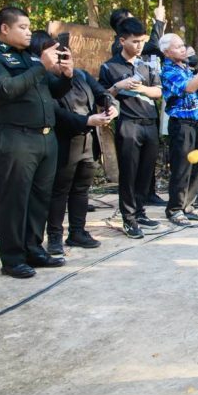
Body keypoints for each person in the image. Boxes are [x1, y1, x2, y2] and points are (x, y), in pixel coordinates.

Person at [0, 6, 74, 278]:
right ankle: (12, 257)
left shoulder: (30, 57)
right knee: (15, 200)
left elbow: (54, 91)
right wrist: (41, 66)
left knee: (40, 198)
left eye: (30, 27)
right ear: (4, 28)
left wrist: (67, 74)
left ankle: (33, 248)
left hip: (46, 137)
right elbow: (6, 89)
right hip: (17, 138)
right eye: (23, 27)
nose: (29, 32)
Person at [46, 53, 118, 254]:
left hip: (88, 140)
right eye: (58, 58)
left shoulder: (81, 75)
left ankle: (77, 232)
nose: (63, 62)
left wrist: (111, 106)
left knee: (81, 189)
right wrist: (87, 121)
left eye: (66, 57)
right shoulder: (46, 80)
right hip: (64, 141)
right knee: (60, 191)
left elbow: (102, 93)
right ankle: (54, 236)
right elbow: (56, 113)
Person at [99, 18, 163, 239]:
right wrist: (118, 86)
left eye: (142, 41)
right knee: (129, 173)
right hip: (128, 123)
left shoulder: (147, 64)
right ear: (122, 40)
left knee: (146, 172)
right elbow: (102, 96)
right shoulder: (109, 66)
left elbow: (158, 92)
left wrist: (142, 88)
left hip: (149, 122)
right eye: (135, 41)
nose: (139, 46)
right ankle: (129, 218)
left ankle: (140, 211)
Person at [159, 32, 198, 227]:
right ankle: (175, 208)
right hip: (181, 124)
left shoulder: (184, 67)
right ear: (166, 52)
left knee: (197, 166)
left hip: (196, 122)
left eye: (182, 45)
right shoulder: (168, 71)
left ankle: (188, 205)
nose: (182, 49)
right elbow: (190, 87)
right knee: (182, 167)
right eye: (177, 47)